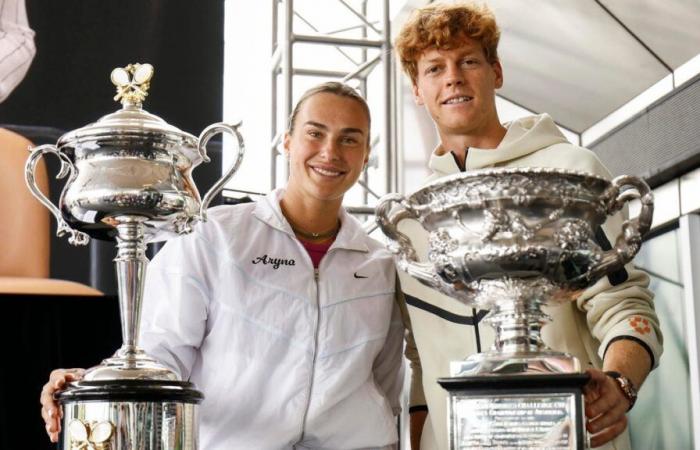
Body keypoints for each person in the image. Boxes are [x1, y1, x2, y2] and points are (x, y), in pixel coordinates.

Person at [40, 82, 405, 449]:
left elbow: (387, 382)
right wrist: (92, 382)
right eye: (315, 133)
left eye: (349, 139)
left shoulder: (380, 264)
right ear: (288, 141)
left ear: (366, 154)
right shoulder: (214, 236)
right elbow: (159, 353)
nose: (330, 152)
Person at [393, 3, 662, 450]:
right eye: (435, 68)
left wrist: (620, 383)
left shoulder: (569, 174)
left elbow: (623, 302)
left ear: (496, 72)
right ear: (418, 90)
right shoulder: (415, 219)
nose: (453, 77)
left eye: (469, 61)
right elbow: (420, 360)